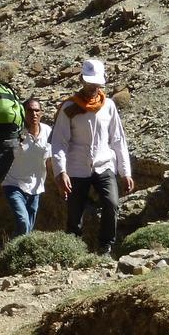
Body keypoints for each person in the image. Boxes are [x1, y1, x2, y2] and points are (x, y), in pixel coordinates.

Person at [51, 59, 134, 256]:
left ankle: (105, 246)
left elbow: (118, 140)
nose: (93, 87)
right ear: (81, 80)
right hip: (76, 167)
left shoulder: (109, 106)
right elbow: (59, 142)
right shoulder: (69, 108)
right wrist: (61, 171)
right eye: (89, 82)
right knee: (74, 213)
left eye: (96, 83)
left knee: (112, 203)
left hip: (104, 164)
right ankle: (72, 250)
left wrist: (125, 172)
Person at [2, 98, 51, 236]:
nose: (34, 114)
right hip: (14, 184)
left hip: (36, 188)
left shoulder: (48, 131)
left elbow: (53, 157)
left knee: (28, 229)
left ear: (41, 113)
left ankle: (14, 253)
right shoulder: (16, 133)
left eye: (37, 111)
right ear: (23, 112)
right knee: (23, 221)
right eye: (30, 110)